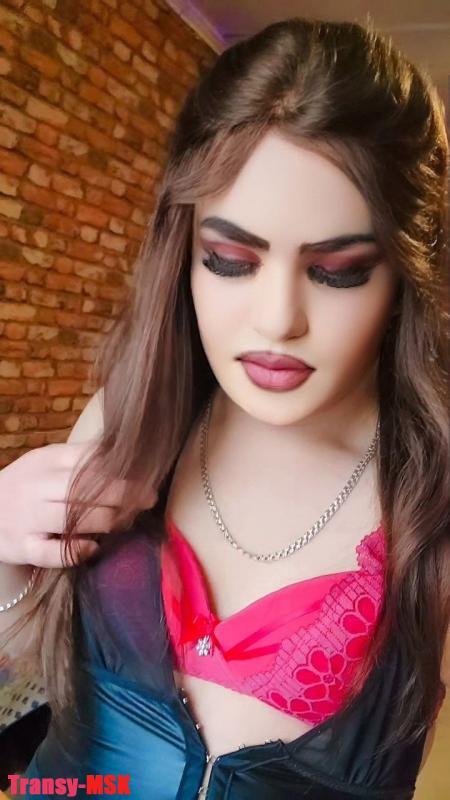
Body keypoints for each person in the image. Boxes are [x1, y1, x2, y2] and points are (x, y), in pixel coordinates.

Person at [0, 15, 448, 800]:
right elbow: (32, 671)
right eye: (230, 260)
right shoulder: (129, 418)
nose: (278, 319)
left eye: (339, 271)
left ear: (404, 274)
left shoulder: (430, 503)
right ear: (185, 252)